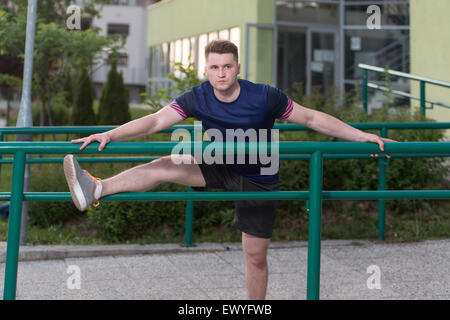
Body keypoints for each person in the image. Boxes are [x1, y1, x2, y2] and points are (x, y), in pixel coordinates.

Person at [63, 40, 394, 300]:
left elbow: (311, 118)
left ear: (237, 67)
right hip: (219, 163)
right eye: (213, 67)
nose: (220, 73)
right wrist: (109, 133)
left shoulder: (264, 96)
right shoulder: (198, 96)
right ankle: (96, 188)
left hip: (258, 176)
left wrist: (361, 134)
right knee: (164, 164)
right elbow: (154, 121)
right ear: (206, 70)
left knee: (255, 256)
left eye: (226, 66)